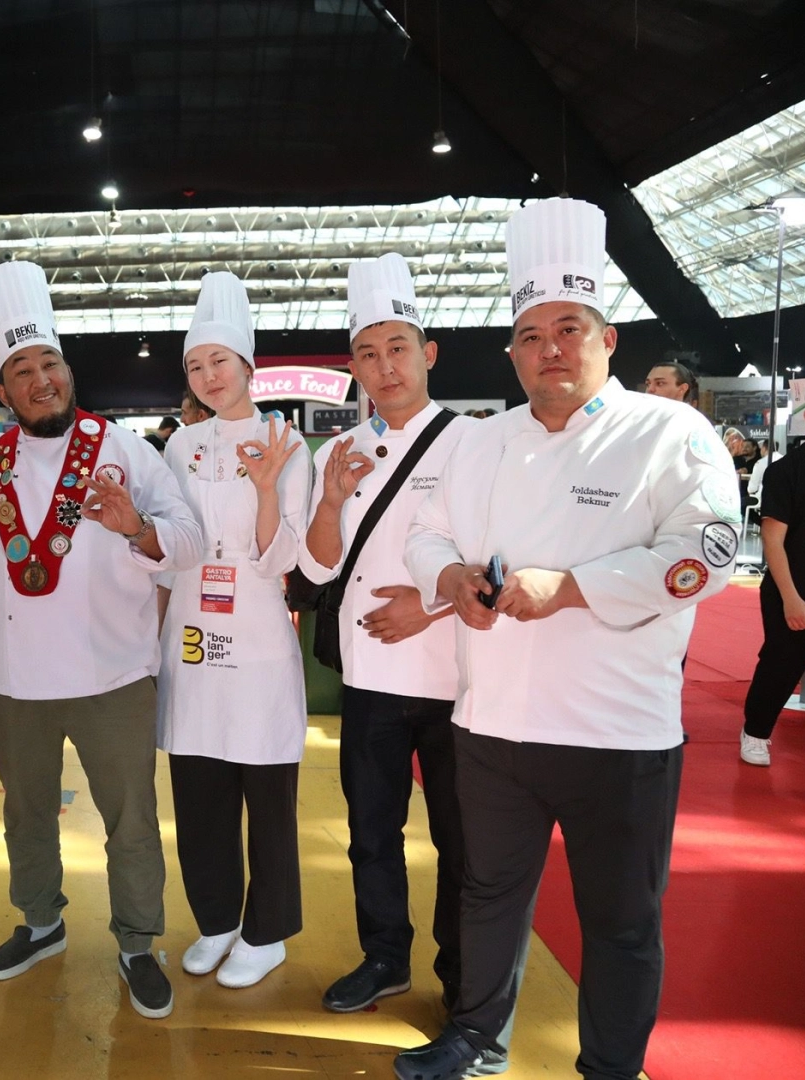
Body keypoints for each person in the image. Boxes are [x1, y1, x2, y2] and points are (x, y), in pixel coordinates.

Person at [396, 198, 737, 1080]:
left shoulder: (671, 431)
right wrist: (450, 578)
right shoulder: (479, 442)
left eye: (568, 329)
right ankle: (476, 1035)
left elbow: (704, 552)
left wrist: (573, 587)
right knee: (487, 892)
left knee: (620, 919)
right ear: (511, 354)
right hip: (493, 724)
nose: (549, 347)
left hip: (617, 732)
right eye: (530, 335)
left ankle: (611, 1068)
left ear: (607, 339)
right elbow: (426, 533)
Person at [0, 259, 203, 1020]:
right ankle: (41, 923)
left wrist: (136, 526)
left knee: (130, 821)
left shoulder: (126, 450)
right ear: (3, 392)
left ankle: (137, 942)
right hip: (15, 680)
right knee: (25, 814)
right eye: (22, 371)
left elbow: (189, 540)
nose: (41, 380)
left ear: (68, 372)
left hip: (116, 676)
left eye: (50, 364)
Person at [301, 253, 472, 1016]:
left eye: (398, 348)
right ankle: (384, 957)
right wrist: (330, 499)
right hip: (369, 679)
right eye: (368, 354)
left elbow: (501, 558)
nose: (385, 366)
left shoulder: (475, 443)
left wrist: (426, 609)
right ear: (353, 367)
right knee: (372, 831)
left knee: (462, 841)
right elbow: (315, 567)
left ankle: (463, 975)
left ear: (428, 353)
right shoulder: (342, 451)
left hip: (456, 677)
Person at [156, 271, 311, 990]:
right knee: (198, 787)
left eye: (219, 360)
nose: (208, 376)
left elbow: (284, 559)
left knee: (266, 790)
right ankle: (216, 918)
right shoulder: (179, 447)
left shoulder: (286, 441)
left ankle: (267, 931)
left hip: (255, 635)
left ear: (248, 364)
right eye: (195, 365)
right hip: (191, 634)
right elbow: (168, 552)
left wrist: (268, 489)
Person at [739, 379, 805, 767]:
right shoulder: (787, 470)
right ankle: (756, 733)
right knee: (780, 666)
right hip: (794, 588)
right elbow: (773, 540)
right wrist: (791, 597)